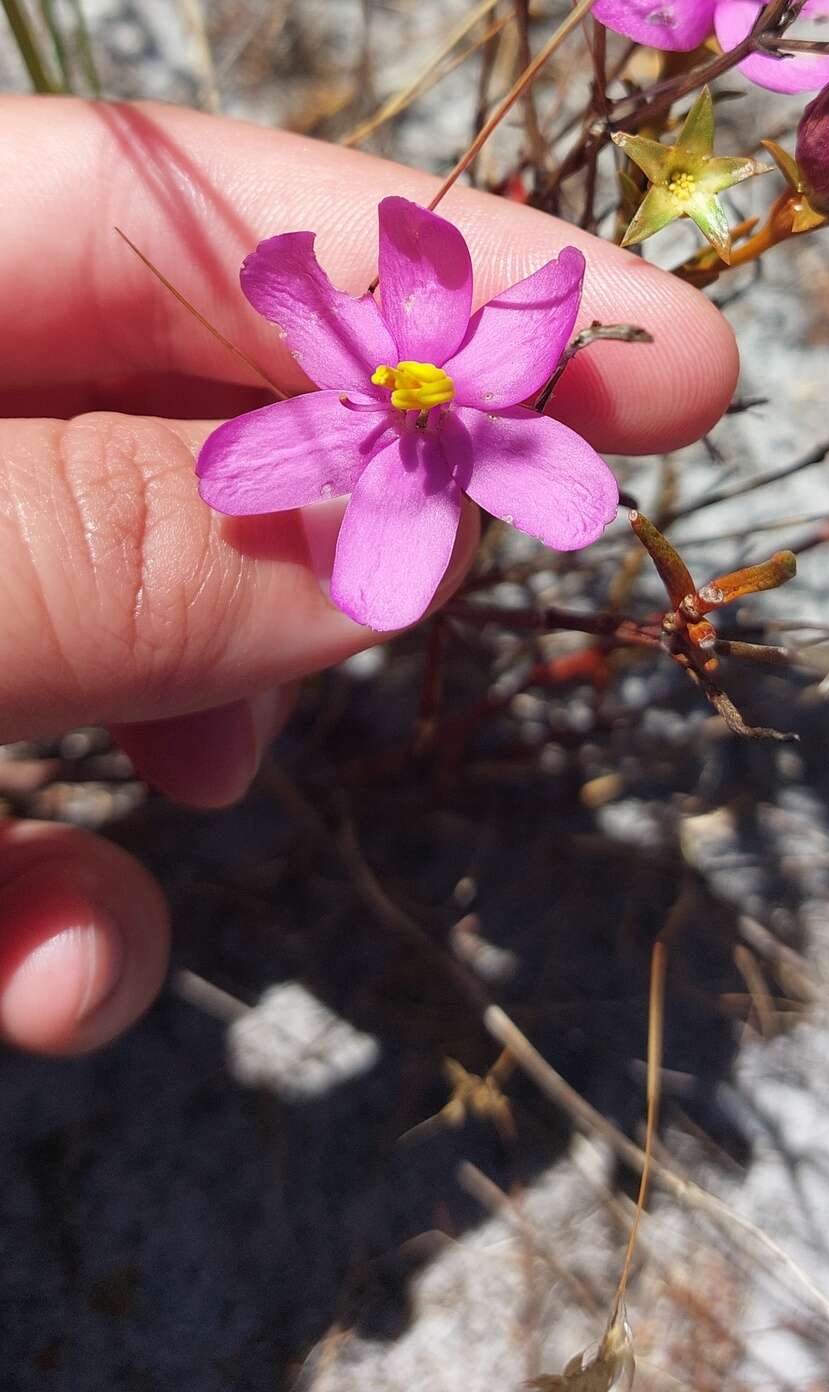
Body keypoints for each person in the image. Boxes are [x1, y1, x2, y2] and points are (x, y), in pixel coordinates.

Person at [0, 95, 738, 1056]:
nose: (410, 384)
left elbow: (564, 468)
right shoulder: (358, 387)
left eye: (416, 382)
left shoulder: (505, 361)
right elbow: (252, 422)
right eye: (400, 381)